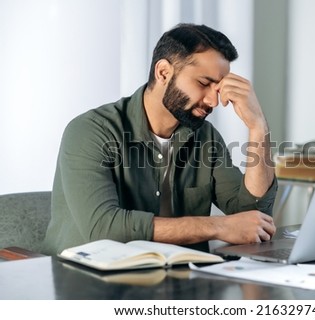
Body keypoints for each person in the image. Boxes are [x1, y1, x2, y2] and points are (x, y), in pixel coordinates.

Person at [42, 23, 277, 255]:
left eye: (217, 89)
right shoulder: (90, 131)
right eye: (203, 83)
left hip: (178, 280)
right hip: (89, 281)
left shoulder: (206, 137)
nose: (213, 102)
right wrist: (217, 227)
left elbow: (252, 213)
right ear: (163, 72)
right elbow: (104, 227)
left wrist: (258, 127)